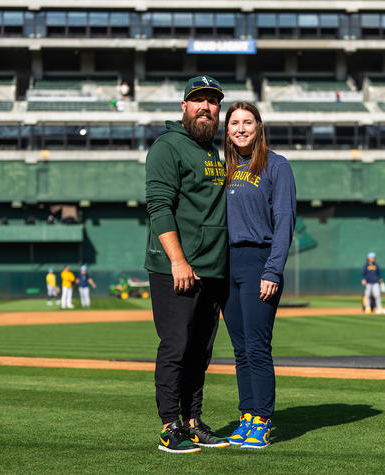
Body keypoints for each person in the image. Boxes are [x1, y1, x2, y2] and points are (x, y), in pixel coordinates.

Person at [145, 75, 230, 453]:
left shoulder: (214, 151)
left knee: (201, 351)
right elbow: (159, 207)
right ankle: (169, 427)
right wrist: (178, 260)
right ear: (184, 106)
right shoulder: (168, 147)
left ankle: (193, 421)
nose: (206, 108)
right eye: (198, 101)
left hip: (211, 270)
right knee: (176, 347)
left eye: (212, 102)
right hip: (176, 270)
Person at [222, 101, 296, 450]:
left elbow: (284, 223)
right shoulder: (224, 168)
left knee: (257, 346)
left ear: (259, 127)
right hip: (227, 265)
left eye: (247, 122)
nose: (240, 128)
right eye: (234, 123)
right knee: (239, 349)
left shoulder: (276, 166)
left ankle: (263, 422)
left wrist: (273, 269)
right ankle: (247, 417)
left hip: (259, 262)